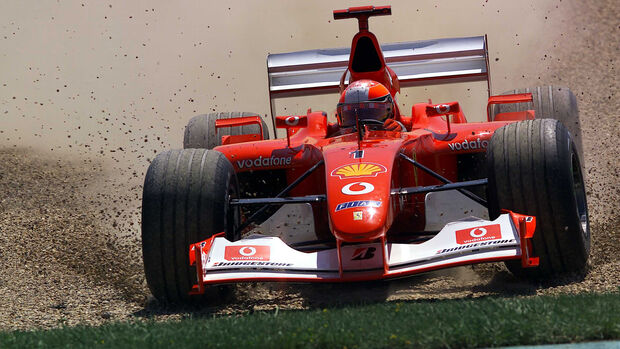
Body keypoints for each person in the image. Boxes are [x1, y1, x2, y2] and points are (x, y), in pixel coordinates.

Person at [329, 79, 405, 136]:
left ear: (391, 112)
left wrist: (402, 130)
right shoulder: (335, 136)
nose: (361, 124)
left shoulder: (395, 129)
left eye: (370, 113)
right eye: (352, 114)